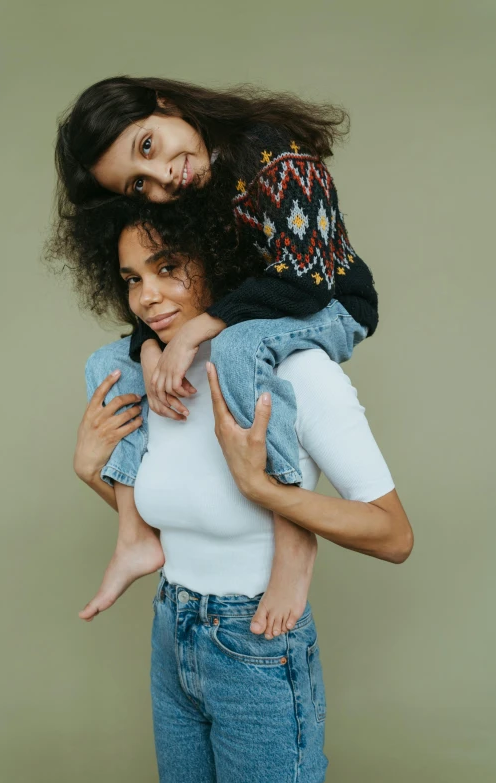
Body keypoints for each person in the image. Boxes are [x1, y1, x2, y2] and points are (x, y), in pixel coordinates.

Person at [65, 198, 412, 782]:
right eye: (132, 279)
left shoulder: (292, 371)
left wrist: (269, 492)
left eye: (167, 267)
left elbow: (394, 535)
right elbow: (179, 523)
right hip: (173, 633)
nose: (147, 295)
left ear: (219, 260)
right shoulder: (149, 376)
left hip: (255, 645)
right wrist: (90, 471)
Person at [53, 76, 379, 637]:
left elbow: (305, 280)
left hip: (330, 302)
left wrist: (190, 334)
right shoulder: (195, 184)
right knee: (105, 365)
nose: (161, 179)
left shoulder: (272, 153)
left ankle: (292, 537)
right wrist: (151, 346)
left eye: (148, 147)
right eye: (138, 184)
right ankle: (134, 535)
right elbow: (179, 280)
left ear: (167, 104)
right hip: (256, 310)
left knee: (237, 343)